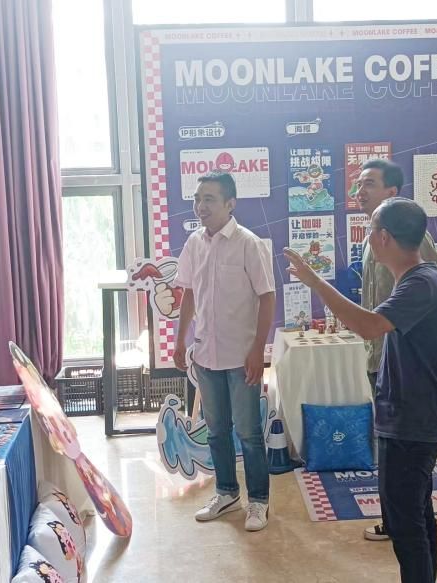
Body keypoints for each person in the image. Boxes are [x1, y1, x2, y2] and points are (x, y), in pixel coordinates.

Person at [286, 197, 437, 583]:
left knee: (406, 524)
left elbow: (368, 326)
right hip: (406, 418)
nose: (368, 236)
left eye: (371, 229)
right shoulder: (417, 280)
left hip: (413, 422)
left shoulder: (421, 283)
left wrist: (315, 282)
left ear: (384, 237)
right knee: (414, 516)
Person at [173, 171, 276, 532]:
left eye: (209, 199)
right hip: (206, 355)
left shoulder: (249, 243)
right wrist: (179, 339)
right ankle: (226, 492)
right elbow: (188, 293)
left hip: (241, 356)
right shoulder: (194, 243)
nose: (200, 206)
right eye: (197, 199)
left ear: (230, 204)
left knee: (248, 433)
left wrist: (257, 351)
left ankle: (258, 501)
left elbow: (267, 298)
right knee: (216, 431)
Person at [355, 158, 437, 543]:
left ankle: (405, 522)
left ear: (392, 192)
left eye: (369, 184)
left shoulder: (410, 237)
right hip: (379, 354)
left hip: (403, 357)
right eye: (359, 184)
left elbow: (432, 285)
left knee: (407, 455)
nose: (360, 191)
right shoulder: (371, 239)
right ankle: (395, 519)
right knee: (390, 449)